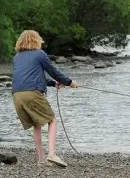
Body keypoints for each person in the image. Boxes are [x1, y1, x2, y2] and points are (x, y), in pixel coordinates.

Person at [11, 30, 79, 168]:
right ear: (35, 40)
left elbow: (29, 77)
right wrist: (69, 82)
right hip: (32, 93)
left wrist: (54, 84)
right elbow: (53, 71)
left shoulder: (17, 57)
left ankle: (41, 160)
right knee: (52, 120)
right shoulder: (40, 54)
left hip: (17, 95)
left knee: (37, 124)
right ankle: (52, 154)